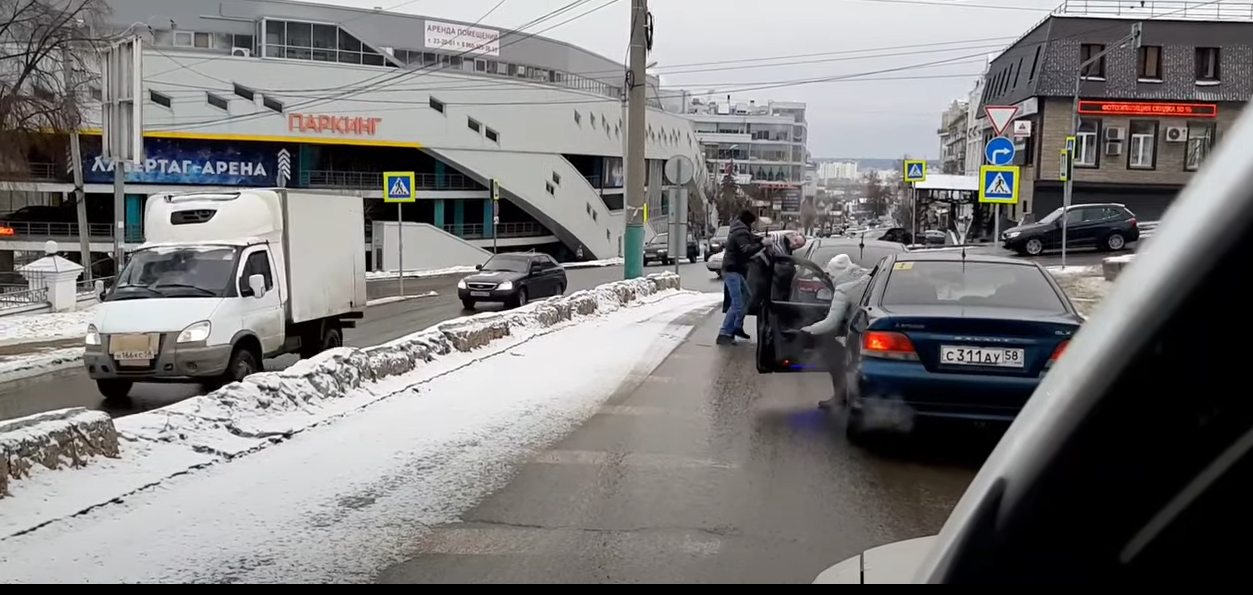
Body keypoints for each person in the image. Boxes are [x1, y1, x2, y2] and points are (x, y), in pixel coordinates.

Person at [800, 254, 872, 409]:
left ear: (838, 273)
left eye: (831, 275)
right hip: (877, 329)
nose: (830, 278)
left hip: (858, 333)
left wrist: (808, 330)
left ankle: (840, 397)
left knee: (834, 354)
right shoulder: (870, 278)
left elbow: (831, 323)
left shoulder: (844, 289)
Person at [717, 210, 763, 345]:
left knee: (746, 297)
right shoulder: (741, 232)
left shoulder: (740, 229)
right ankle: (725, 333)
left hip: (736, 270)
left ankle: (736, 327)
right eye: (753, 223)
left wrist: (759, 239)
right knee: (737, 304)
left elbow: (749, 238)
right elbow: (746, 249)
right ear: (749, 221)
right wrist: (762, 244)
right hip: (732, 270)